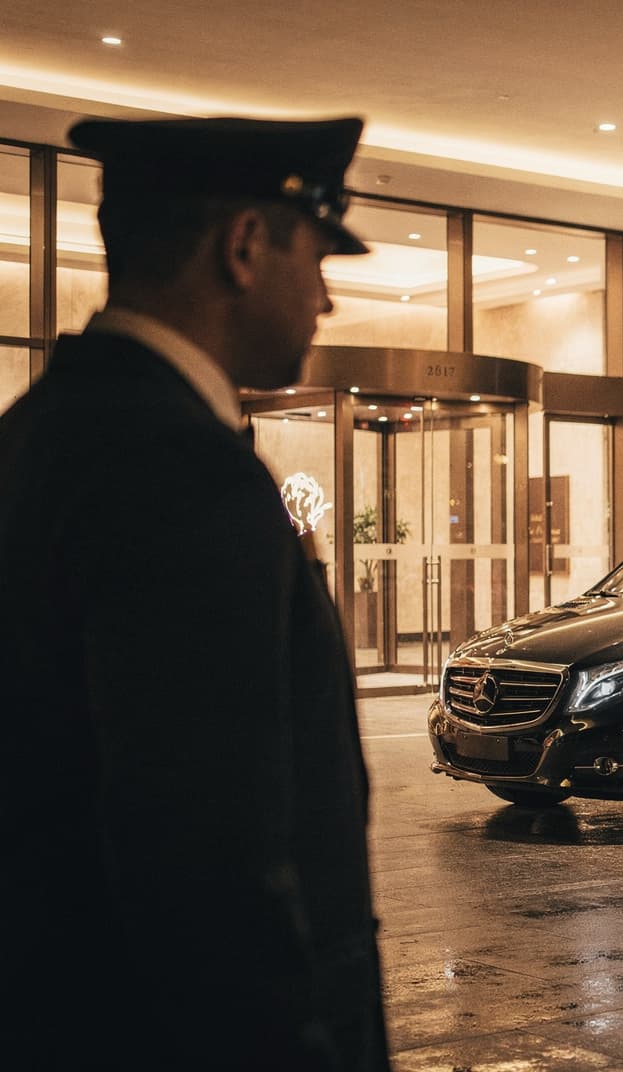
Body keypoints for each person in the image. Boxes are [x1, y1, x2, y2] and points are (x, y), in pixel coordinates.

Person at [0, 116, 389, 1070]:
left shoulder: (34, 434)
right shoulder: (182, 472)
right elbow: (207, 859)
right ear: (244, 246)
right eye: (317, 258)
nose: (327, 299)